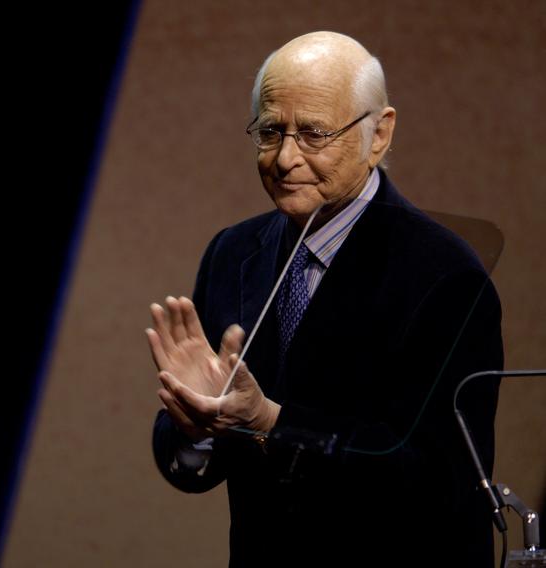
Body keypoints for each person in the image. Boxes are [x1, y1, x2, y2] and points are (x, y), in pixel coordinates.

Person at [147, 32, 502, 568]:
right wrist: (196, 428)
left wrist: (270, 421)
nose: (286, 158)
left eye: (313, 133)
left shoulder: (446, 275)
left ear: (378, 135)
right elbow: (196, 463)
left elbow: (438, 483)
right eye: (271, 132)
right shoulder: (233, 251)